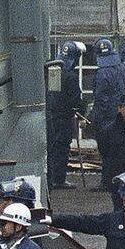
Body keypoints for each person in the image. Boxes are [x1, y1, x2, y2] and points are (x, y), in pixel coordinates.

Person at [48, 41, 85, 190]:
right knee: (62, 148)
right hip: (64, 118)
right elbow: (76, 99)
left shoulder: (53, 72)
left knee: (53, 148)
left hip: (51, 116)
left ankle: (52, 178)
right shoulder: (71, 77)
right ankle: (59, 179)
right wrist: (80, 110)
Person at [89, 38, 125, 133]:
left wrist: (94, 120)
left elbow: (101, 100)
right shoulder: (122, 69)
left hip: (106, 119)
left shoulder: (101, 74)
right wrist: (124, 46)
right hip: (121, 115)